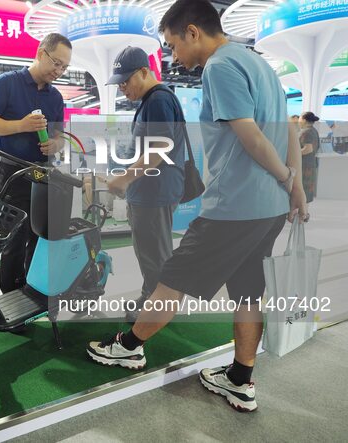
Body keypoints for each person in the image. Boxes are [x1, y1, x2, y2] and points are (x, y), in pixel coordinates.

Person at [86, 0, 308, 413]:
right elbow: (288, 131)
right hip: (268, 209)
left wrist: (284, 177)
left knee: (172, 279)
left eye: (172, 45)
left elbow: (252, 137)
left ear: (192, 32)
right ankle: (240, 379)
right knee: (247, 291)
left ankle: (129, 347)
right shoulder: (260, 65)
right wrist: (294, 186)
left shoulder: (221, 67)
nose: (173, 56)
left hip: (234, 205)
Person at [0, 33, 72, 293]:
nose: (60, 71)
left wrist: (56, 144)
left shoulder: (55, 98)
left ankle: (32, 289)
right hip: (11, 173)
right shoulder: (8, 83)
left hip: (43, 175)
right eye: (56, 63)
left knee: (39, 235)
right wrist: (21, 125)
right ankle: (10, 294)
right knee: (13, 237)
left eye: (65, 67)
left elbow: (60, 137)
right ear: (41, 53)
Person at [104, 46, 186, 322]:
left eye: (125, 81)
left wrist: (124, 179)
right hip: (149, 192)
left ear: (143, 72)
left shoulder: (159, 100)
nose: (122, 88)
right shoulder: (150, 102)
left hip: (155, 193)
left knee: (156, 255)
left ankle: (160, 307)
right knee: (149, 253)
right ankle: (152, 295)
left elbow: (160, 147)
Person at [298, 112, 320, 203]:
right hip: (310, 165)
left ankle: (302, 215)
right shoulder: (313, 130)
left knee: (303, 191)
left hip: (304, 166)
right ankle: (304, 214)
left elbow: (308, 149)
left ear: (304, 119)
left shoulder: (306, 132)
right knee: (307, 192)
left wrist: (293, 154)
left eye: (299, 118)